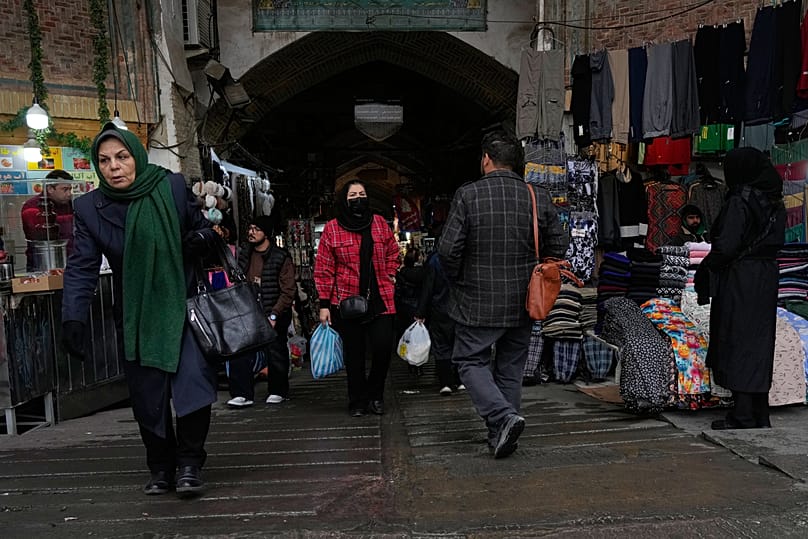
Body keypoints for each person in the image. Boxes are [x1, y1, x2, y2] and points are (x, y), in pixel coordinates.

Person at [61, 123, 219, 498]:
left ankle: (189, 464)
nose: (113, 167)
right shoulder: (90, 208)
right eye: (104, 160)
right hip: (137, 314)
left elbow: (208, 232)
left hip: (183, 307)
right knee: (148, 395)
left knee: (192, 385)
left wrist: (199, 238)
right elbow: (82, 266)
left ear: (137, 156)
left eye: (122, 157)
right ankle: (160, 466)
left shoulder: (172, 187)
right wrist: (73, 316)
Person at [438, 129, 567, 458]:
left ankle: (503, 417)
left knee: (468, 361)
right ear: (518, 163)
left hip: (476, 300)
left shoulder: (468, 196)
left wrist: (458, 280)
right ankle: (501, 435)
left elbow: (448, 250)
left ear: (485, 159)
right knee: (510, 367)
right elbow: (558, 246)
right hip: (524, 299)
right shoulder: (535, 196)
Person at [694, 147, 785, 430]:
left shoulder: (740, 199)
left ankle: (743, 414)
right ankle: (759, 412)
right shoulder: (774, 199)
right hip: (766, 275)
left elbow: (727, 244)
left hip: (741, 275)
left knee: (738, 338)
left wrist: (707, 267)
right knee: (758, 341)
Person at [314, 179, 400, 417]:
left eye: (362, 194)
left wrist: (391, 273)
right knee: (354, 354)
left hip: (381, 297)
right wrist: (324, 304)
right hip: (347, 300)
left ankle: (376, 395)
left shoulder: (380, 223)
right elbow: (324, 267)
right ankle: (358, 401)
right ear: (344, 199)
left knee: (383, 349)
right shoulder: (332, 228)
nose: (358, 198)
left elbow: (393, 251)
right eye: (352, 195)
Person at [227, 215, 296, 408]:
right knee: (240, 350)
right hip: (248, 309)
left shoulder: (280, 256)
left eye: (256, 229)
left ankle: (278, 390)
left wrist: (274, 314)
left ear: (266, 233)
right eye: (250, 228)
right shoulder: (244, 254)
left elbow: (288, 290)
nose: (251, 232)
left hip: (274, 309)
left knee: (275, 351)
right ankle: (241, 393)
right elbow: (237, 280)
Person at [415, 249, 463, 395]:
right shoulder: (463, 256)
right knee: (459, 344)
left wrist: (421, 311)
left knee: (441, 347)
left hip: (440, 308)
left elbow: (428, 288)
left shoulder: (435, 259)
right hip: (461, 308)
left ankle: (445, 382)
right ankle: (460, 379)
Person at [21, 169, 75, 271]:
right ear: (50, 188)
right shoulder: (32, 205)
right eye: (65, 189)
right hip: (42, 262)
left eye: (70, 189)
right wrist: (75, 218)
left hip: (69, 260)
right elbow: (44, 224)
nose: (69, 194)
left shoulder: (68, 204)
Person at [395, 247, 426, 375]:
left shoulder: (402, 273)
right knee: (420, 338)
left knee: (408, 336)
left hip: (405, 307)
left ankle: (410, 362)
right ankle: (419, 365)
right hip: (419, 306)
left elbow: (398, 291)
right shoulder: (424, 272)